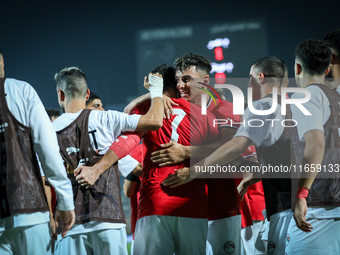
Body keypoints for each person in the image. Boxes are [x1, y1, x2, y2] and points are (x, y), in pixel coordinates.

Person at [163, 56, 292, 255]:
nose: (181, 85)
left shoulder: (226, 110)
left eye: (187, 79)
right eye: (178, 80)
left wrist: (188, 156)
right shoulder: (176, 112)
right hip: (190, 206)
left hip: (231, 207)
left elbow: (238, 147)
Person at [52, 66, 164, 255]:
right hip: (108, 221)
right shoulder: (106, 118)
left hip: (69, 226)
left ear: (60, 95)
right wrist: (156, 90)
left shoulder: (48, 130)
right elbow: (155, 121)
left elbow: (43, 179)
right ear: (87, 94)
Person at [0, 50, 75, 255]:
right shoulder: (20, 90)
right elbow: (47, 147)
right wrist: (65, 200)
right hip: (28, 211)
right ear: (2, 62)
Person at [286, 39, 340, 254]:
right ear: (327, 69)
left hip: (318, 209)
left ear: (297, 68)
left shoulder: (305, 96)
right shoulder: (336, 96)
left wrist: (301, 194)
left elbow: (316, 144)